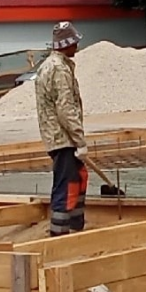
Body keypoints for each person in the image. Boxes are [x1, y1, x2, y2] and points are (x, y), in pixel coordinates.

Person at [34, 21, 88, 235]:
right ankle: (59, 234)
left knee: (78, 178)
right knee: (66, 186)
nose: (77, 46)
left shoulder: (52, 65)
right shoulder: (59, 69)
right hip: (62, 138)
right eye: (74, 42)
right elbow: (65, 109)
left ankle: (75, 225)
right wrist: (80, 140)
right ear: (67, 44)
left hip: (59, 136)